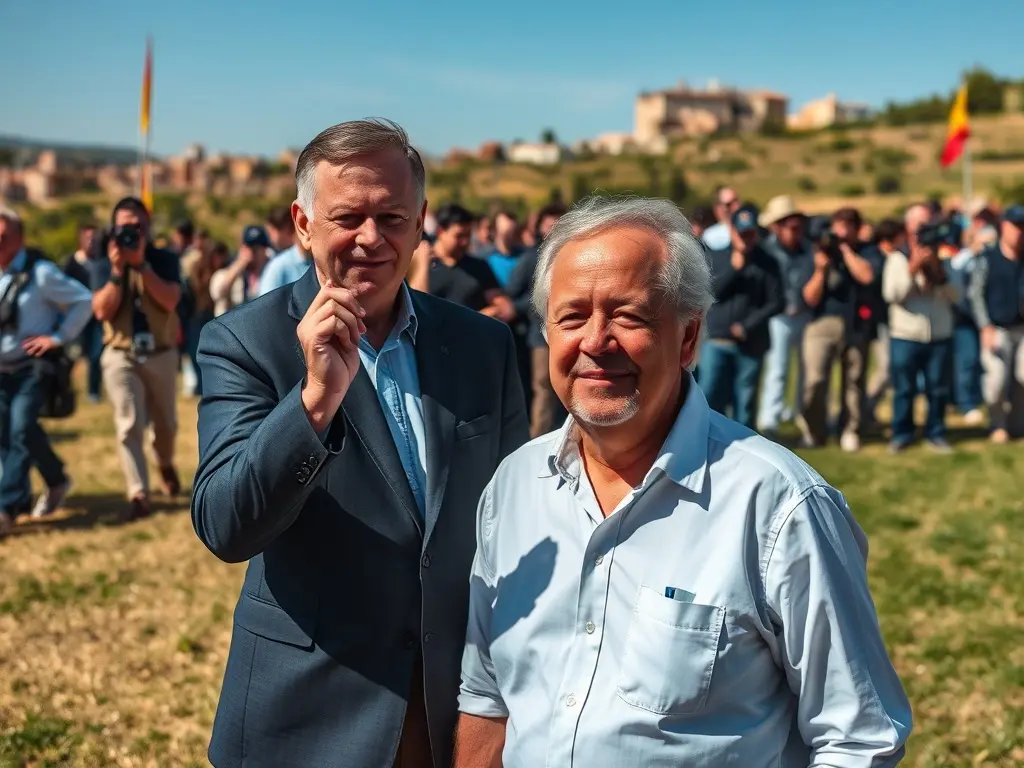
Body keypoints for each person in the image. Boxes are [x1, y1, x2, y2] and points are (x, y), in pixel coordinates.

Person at [453, 195, 911, 767]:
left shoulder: (776, 506)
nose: (595, 341)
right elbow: (487, 697)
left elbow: (858, 738)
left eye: (629, 316)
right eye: (572, 317)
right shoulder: (514, 487)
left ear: (689, 337)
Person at [192, 118, 529, 768]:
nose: (371, 239)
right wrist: (313, 401)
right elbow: (225, 526)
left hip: (449, 710)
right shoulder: (244, 343)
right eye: (348, 217)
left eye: (392, 217)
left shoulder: (482, 345)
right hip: (309, 717)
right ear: (302, 223)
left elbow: (515, 513)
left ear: (421, 220)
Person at [0, 208, 93, 536]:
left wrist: (56, 338)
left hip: (31, 368)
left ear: (19, 238)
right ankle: (55, 479)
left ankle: (6, 509)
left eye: (2, 237)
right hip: (1, 370)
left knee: (21, 431)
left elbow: (83, 301)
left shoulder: (40, 273)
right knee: (9, 434)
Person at [91, 197, 183, 520]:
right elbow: (101, 310)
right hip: (121, 353)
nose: (131, 232)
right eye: (124, 227)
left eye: (138, 226)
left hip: (161, 353)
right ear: (112, 228)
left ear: (148, 227)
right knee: (128, 424)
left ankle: (165, 462)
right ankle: (138, 493)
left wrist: (142, 264)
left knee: (167, 425)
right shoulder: (103, 262)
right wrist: (118, 271)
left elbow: (171, 300)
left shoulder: (164, 258)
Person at [797, 207, 876, 451]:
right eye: (837, 226)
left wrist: (845, 251)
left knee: (854, 380)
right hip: (821, 323)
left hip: (854, 323)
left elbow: (866, 277)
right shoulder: (816, 253)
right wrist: (822, 268)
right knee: (815, 380)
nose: (839, 232)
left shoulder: (865, 251)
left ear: (855, 229)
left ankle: (850, 429)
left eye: (846, 227)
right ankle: (814, 431)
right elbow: (809, 297)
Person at [699, 204, 783, 429]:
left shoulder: (768, 263)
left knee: (744, 403)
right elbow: (711, 294)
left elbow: (776, 302)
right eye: (741, 232)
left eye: (750, 233)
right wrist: (736, 268)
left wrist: (747, 326)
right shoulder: (716, 257)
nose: (746, 238)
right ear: (732, 231)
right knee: (709, 398)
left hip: (751, 344)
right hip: (716, 341)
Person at [883, 217, 957, 453]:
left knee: (938, 388)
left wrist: (938, 270)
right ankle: (902, 433)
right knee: (904, 388)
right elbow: (892, 294)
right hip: (905, 335)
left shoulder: (946, 260)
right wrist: (912, 269)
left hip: (939, 335)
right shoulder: (897, 258)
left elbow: (957, 296)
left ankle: (935, 433)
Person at [504, 203, 569, 437]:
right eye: (549, 223)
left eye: (559, 223)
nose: (554, 228)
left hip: (570, 333)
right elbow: (513, 292)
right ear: (540, 227)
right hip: (540, 335)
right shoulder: (533, 257)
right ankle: (538, 440)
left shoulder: (573, 255)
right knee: (544, 389)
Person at [756, 195, 813, 437]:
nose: (796, 231)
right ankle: (770, 418)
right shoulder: (766, 251)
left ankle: (800, 413)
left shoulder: (807, 250)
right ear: (777, 226)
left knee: (804, 369)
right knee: (777, 368)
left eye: (799, 226)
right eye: (791, 226)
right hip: (778, 317)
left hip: (803, 314)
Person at [969, 204, 1024, 443]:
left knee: (1023, 378)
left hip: (1022, 328)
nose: (1020, 232)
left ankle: (1018, 424)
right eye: (1016, 226)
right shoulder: (988, 258)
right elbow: (975, 294)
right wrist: (985, 326)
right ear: (1004, 227)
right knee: (996, 382)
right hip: (996, 328)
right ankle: (998, 424)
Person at [426, 203, 514, 320]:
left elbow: (503, 306)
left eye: (468, 236)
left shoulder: (479, 267)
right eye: (459, 236)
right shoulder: (423, 265)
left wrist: (478, 317)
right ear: (440, 232)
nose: (465, 242)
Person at [63, 222, 104, 402]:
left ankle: (94, 392)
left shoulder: (102, 264)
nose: (91, 242)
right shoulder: (71, 264)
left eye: (94, 239)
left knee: (96, 356)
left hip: (96, 317)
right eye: (88, 238)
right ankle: (62, 389)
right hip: (75, 317)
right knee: (71, 355)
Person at [209, 226, 270, 316]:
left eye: (257, 248)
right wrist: (239, 265)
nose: (252, 253)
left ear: (265, 250)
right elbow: (218, 293)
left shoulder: (272, 271)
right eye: (249, 247)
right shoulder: (227, 272)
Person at [257, 207, 311, 297]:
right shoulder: (278, 266)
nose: (271, 239)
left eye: (271, 232)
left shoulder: (316, 261)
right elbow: (266, 305)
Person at [701, 185, 740, 251]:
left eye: (736, 201)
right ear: (718, 208)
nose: (736, 207)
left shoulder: (750, 227)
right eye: (728, 204)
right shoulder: (711, 235)